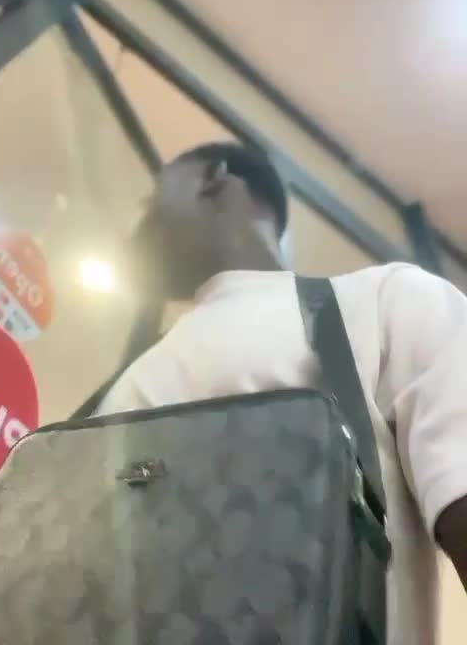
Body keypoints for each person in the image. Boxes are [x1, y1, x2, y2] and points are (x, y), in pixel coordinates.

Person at [98, 141, 467, 644]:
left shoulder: (386, 303)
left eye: (150, 200)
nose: (138, 226)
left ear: (213, 177)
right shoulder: (131, 383)